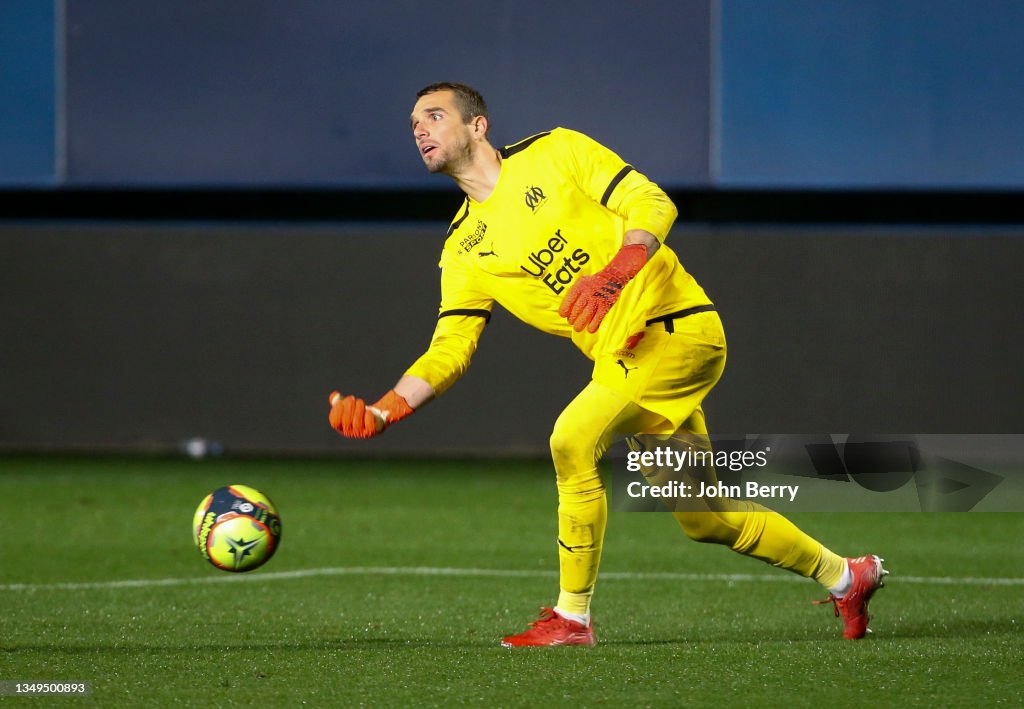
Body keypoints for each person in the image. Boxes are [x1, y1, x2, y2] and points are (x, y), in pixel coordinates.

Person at [328, 81, 887, 646]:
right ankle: (847, 576)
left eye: (434, 115)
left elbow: (654, 202)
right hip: (626, 362)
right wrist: (384, 410)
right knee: (707, 519)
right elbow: (451, 345)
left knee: (571, 439)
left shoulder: (555, 151)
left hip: (674, 327)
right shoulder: (463, 248)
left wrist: (618, 271)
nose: (419, 128)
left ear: (478, 125)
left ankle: (572, 619)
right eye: (413, 123)